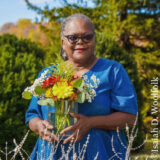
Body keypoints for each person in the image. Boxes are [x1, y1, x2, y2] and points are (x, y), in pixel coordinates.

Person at [25, 13, 138, 160]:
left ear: (95, 40)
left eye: (87, 37)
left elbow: (130, 118)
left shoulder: (112, 71)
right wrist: (39, 125)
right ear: (63, 42)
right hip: (52, 154)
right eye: (73, 37)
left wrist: (90, 123)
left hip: (101, 153)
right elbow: (32, 115)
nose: (80, 42)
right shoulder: (48, 75)